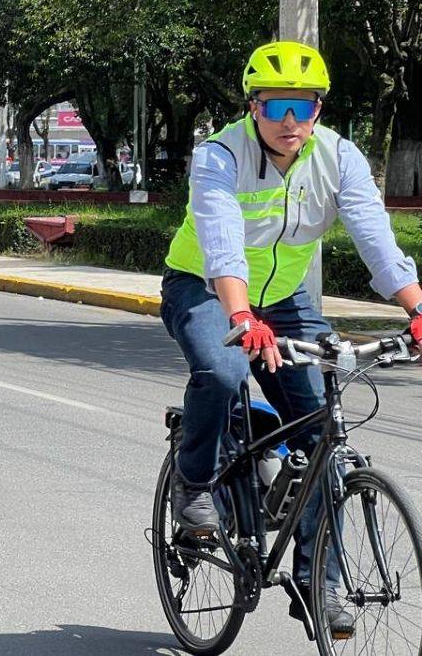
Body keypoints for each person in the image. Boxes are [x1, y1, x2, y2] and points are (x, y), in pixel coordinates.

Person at [161, 40, 422, 638]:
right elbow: (223, 240)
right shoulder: (218, 156)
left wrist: (417, 306)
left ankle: (317, 582)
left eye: (301, 107)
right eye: (275, 105)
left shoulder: (340, 157)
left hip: (286, 298)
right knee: (224, 374)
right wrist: (240, 317)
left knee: (321, 430)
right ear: (253, 106)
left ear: (318, 111)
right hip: (203, 287)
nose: (288, 121)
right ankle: (193, 480)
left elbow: (375, 239)